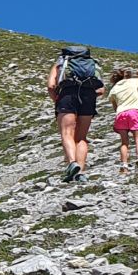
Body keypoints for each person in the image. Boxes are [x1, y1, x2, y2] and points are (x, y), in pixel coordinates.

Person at [45, 45, 102, 182]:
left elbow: (51, 86)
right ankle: (80, 172)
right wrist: (88, 95)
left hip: (67, 94)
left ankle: (72, 163)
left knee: (67, 132)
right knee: (81, 137)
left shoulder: (60, 63)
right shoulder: (92, 63)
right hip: (88, 96)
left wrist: (57, 100)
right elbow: (101, 90)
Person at [108, 66, 138, 174]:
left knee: (124, 142)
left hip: (121, 114)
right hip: (134, 111)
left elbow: (115, 107)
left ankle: (124, 166)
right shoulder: (133, 82)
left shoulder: (113, 90)